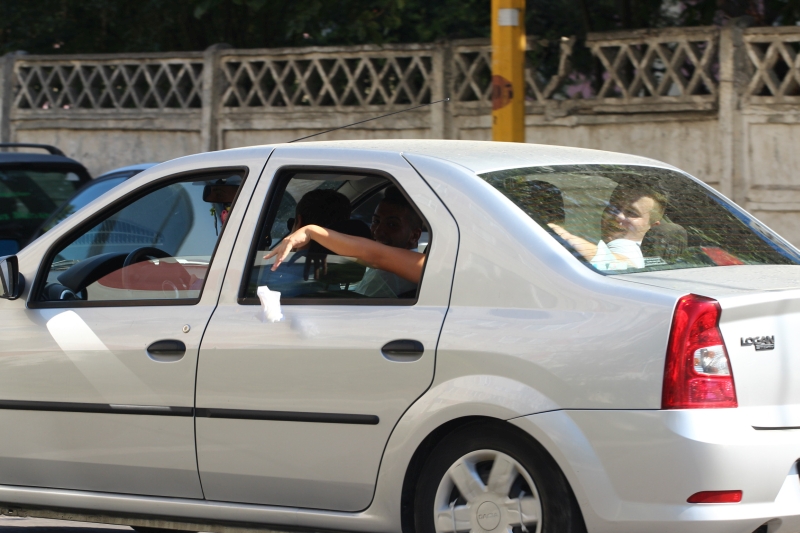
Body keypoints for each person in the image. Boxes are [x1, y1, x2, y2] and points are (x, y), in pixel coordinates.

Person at [548, 183, 667, 270]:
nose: (618, 216)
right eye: (614, 208)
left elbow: (621, 264)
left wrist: (551, 231)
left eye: (632, 213)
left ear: (652, 227)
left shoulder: (626, 246)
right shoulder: (655, 257)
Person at [354, 186, 423, 297]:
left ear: (414, 236)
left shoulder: (386, 272)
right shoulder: (422, 268)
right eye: (376, 221)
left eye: (392, 225)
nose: (377, 231)